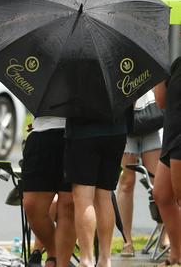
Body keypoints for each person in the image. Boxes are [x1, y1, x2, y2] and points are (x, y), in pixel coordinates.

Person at [65, 111, 130, 267]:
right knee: (104, 195)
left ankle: (86, 259)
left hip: (83, 130)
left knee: (84, 197)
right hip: (116, 129)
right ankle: (105, 259)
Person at [22, 117, 75, 267]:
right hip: (41, 131)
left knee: (69, 206)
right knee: (32, 206)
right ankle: (56, 254)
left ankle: (60, 262)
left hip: (76, 135)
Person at [117, 89, 163, 258]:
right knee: (126, 182)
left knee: (158, 183)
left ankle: (164, 236)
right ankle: (126, 240)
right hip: (125, 124)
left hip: (151, 121)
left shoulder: (151, 63)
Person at [153, 56, 181, 267]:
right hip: (171, 137)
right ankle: (177, 253)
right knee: (162, 194)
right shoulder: (177, 64)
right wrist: (156, 70)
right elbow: (162, 102)